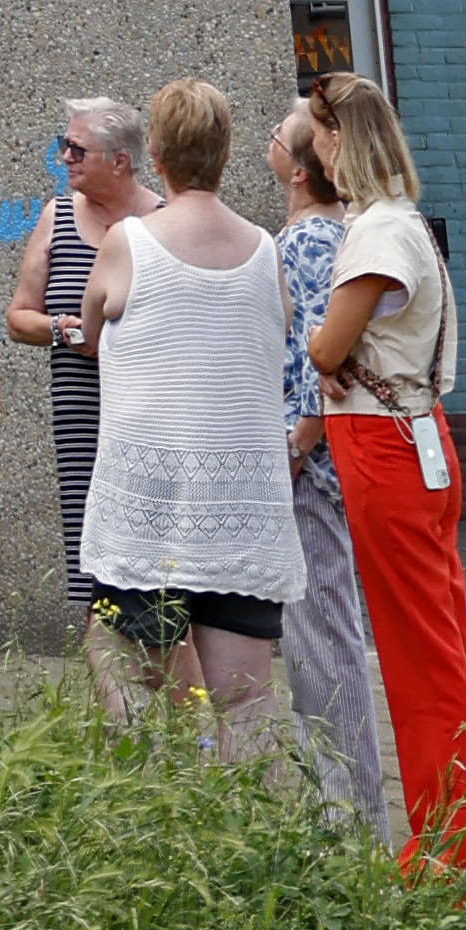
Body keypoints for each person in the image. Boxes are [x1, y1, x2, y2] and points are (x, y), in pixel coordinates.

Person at [69, 76, 302, 756]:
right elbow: (279, 330)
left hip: (152, 507)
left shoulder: (129, 243)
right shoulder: (265, 251)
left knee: (116, 660)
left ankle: (153, 801)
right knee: (247, 698)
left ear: (157, 158)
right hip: (242, 508)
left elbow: (88, 326)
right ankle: (246, 840)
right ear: (225, 155)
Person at [307, 72, 466, 880]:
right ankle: (463, 843)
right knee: (443, 646)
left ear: (341, 139)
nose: (313, 147)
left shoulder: (378, 234)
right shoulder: (400, 223)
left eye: (318, 133)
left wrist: (329, 353)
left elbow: (324, 347)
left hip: (385, 447)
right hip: (412, 434)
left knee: (421, 658)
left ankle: (447, 857)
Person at [265, 97, 394, 830]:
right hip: (311, 469)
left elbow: (324, 354)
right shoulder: (313, 234)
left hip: (310, 479)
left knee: (323, 644)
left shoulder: (313, 241)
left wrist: (298, 443)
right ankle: (342, 813)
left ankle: (350, 825)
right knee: (317, 640)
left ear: (296, 167)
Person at [2, 91, 144, 579]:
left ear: (120, 161)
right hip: (81, 413)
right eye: (66, 144)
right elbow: (19, 316)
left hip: (153, 414)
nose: (65, 157)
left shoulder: (165, 220)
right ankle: (101, 656)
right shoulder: (57, 216)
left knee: (156, 564)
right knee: (91, 565)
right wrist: (60, 332)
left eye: (77, 149)